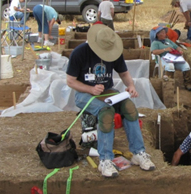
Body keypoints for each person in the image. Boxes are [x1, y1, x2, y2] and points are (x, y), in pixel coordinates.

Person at [66, 24, 156, 178]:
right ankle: (105, 160)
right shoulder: (79, 53)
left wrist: (131, 86)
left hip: (107, 91)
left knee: (130, 108)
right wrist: (91, 90)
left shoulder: (114, 51)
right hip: (84, 94)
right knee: (106, 113)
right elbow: (70, 81)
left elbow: (124, 73)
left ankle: (138, 152)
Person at [150, 25, 191, 91]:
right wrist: (165, 49)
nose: (165, 33)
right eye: (163, 32)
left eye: (164, 32)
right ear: (158, 34)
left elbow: (176, 46)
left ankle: (187, 83)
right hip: (164, 58)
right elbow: (154, 52)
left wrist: (179, 50)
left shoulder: (168, 40)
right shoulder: (155, 43)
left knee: (186, 66)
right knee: (170, 67)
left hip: (174, 58)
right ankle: (170, 85)